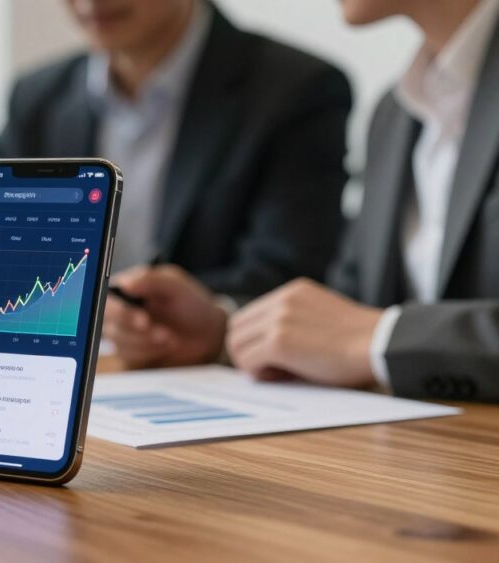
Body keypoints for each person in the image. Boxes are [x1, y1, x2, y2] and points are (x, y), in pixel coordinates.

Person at [112, 0, 499, 402]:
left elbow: (366, 332)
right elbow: (347, 316)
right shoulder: (397, 114)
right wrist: (225, 331)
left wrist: (382, 337)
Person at [0, 0, 352, 334]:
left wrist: (101, 310)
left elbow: (286, 276)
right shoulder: (40, 96)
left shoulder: (295, 90)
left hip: (208, 387)